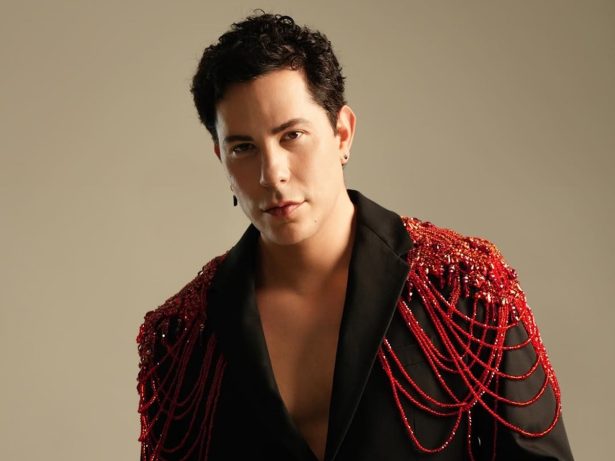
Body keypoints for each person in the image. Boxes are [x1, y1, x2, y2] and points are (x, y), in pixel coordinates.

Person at [136, 12, 574, 461]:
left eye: (292, 135)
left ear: (342, 133)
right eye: (243, 148)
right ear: (221, 158)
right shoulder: (180, 334)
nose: (272, 174)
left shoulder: (464, 285)